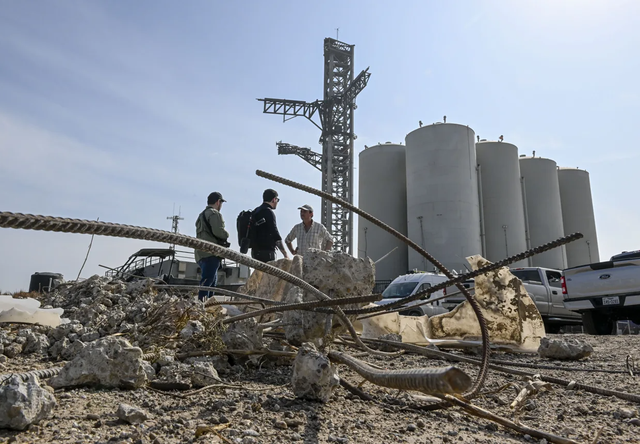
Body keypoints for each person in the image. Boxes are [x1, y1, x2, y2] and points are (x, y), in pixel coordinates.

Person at [195, 192, 230, 301]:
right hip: (211, 253)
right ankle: (203, 306)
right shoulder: (214, 214)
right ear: (218, 202)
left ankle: (206, 305)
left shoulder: (201, 215)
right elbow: (218, 231)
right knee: (208, 282)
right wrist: (226, 235)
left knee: (210, 281)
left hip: (201, 253)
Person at [250, 189, 289, 263]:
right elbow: (275, 233)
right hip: (267, 252)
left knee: (258, 274)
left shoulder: (256, 211)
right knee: (267, 274)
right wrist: (285, 254)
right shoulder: (268, 212)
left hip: (255, 252)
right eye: (277, 200)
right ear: (274, 199)